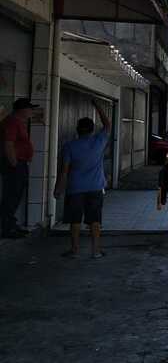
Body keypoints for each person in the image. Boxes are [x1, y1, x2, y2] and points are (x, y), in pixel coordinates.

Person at [53, 100, 111, 258]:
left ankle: (74, 250)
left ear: (77, 130)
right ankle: (96, 251)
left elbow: (64, 171)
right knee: (95, 220)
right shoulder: (98, 141)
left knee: (75, 220)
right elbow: (107, 125)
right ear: (92, 130)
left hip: (75, 188)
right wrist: (97, 106)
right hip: (95, 188)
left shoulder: (69, 146)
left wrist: (58, 188)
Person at [1, 98, 38, 239]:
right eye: (30, 109)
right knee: (11, 196)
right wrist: (14, 164)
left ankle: (11, 224)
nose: (32, 111)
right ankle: (6, 228)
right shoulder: (11, 122)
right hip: (14, 165)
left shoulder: (18, 123)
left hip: (19, 164)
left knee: (15, 196)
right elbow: (8, 144)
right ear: (22, 110)